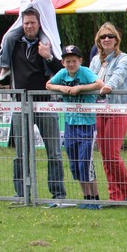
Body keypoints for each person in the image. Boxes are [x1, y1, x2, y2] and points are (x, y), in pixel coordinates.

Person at [0, 7, 66, 204]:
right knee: (20, 154)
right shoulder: (12, 44)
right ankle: (21, 195)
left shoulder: (47, 43)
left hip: (45, 104)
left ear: (39, 24)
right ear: (21, 24)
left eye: (32, 22)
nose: (29, 26)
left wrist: (48, 57)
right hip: (20, 105)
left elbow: (62, 72)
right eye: (26, 23)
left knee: (54, 153)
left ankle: (58, 195)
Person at [46, 45, 104, 208]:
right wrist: (62, 88)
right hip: (70, 124)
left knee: (86, 163)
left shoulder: (85, 72)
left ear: (80, 61)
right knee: (75, 164)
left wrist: (80, 88)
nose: (71, 64)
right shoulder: (62, 73)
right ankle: (86, 197)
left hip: (86, 125)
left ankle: (95, 199)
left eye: (74, 61)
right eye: (68, 61)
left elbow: (99, 83)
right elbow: (49, 84)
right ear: (63, 62)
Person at [89, 22, 127, 204]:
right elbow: (90, 78)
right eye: (103, 36)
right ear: (98, 40)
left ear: (116, 39)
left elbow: (118, 76)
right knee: (104, 154)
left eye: (110, 36)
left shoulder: (123, 58)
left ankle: (125, 190)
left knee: (112, 153)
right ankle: (114, 194)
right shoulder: (95, 60)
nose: (106, 39)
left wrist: (107, 86)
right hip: (99, 110)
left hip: (117, 109)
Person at [0, 0, 62, 77]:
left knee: (46, 43)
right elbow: (22, 14)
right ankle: (5, 66)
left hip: (43, 26)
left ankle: (49, 72)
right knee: (8, 37)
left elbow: (48, 16)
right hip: (26, 24)